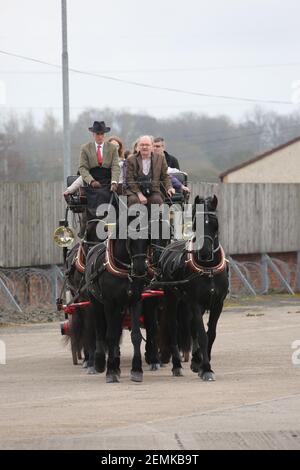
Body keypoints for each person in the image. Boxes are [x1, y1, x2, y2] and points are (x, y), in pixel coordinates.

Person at [126, 135, 175, 208]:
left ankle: (155, 219)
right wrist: (139, 194)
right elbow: (130, 179)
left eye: (147, 145)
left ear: (152, 146)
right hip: (135, 191)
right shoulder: (131, 160)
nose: (144, 147)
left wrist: (169, 187)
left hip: (153, 191)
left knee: (156, 200)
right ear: (138, 146)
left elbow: (165, 176)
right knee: (133, 201)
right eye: (142, 145)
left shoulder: (160, 159)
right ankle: (135, 219)